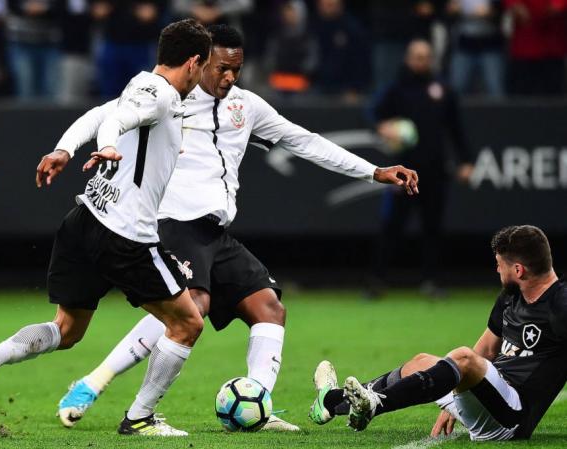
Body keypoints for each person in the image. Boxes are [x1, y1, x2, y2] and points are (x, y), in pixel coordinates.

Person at [50, 24, 419, 432]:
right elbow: (106, 115)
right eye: (221, 68)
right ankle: (94, 383)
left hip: (214, 232)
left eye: (236, 70)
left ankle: (257, 405)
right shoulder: (168, 97)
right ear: (200, 62)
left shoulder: (247, 106)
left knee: (269, 308)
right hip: (174, 223)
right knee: (192, 306)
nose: (229, 77)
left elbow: (305, 141)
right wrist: (69, 148)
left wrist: (374, 171)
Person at [0, 19, 212, 437]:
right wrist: (107, 145)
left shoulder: (142, 83)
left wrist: (64, 149)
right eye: (205, 66)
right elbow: (115, 122)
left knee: (66, 330)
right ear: (194, 62)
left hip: (85, 220)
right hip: (126, 236)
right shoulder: (160, 95)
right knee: (188, 323)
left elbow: (98, 114)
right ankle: (140, 417)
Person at [310, 225, 567, 441]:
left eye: (500, 265)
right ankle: (330, 401)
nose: (497, 270)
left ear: (519, 270)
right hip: (488, 397)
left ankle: (374, 404)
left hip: (512, 417)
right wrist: (457, 391)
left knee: (462, 357)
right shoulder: (511, 297)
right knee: (420, 362)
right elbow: (487, 350)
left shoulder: (560, 305)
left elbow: (472, 360)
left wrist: (461, 378)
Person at [368, 39, 473, 298]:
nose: (421, 61)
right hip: (402, 173)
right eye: (416, 56)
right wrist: (383, 126)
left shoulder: (443, 90)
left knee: (433, 228)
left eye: (425, 56)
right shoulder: (395, 89)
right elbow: (371, 113)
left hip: (435, 171)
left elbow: (456, 129)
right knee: (391, 226)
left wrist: (466, 161)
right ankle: (378, 281)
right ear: (407, 58)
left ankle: (431, 281)